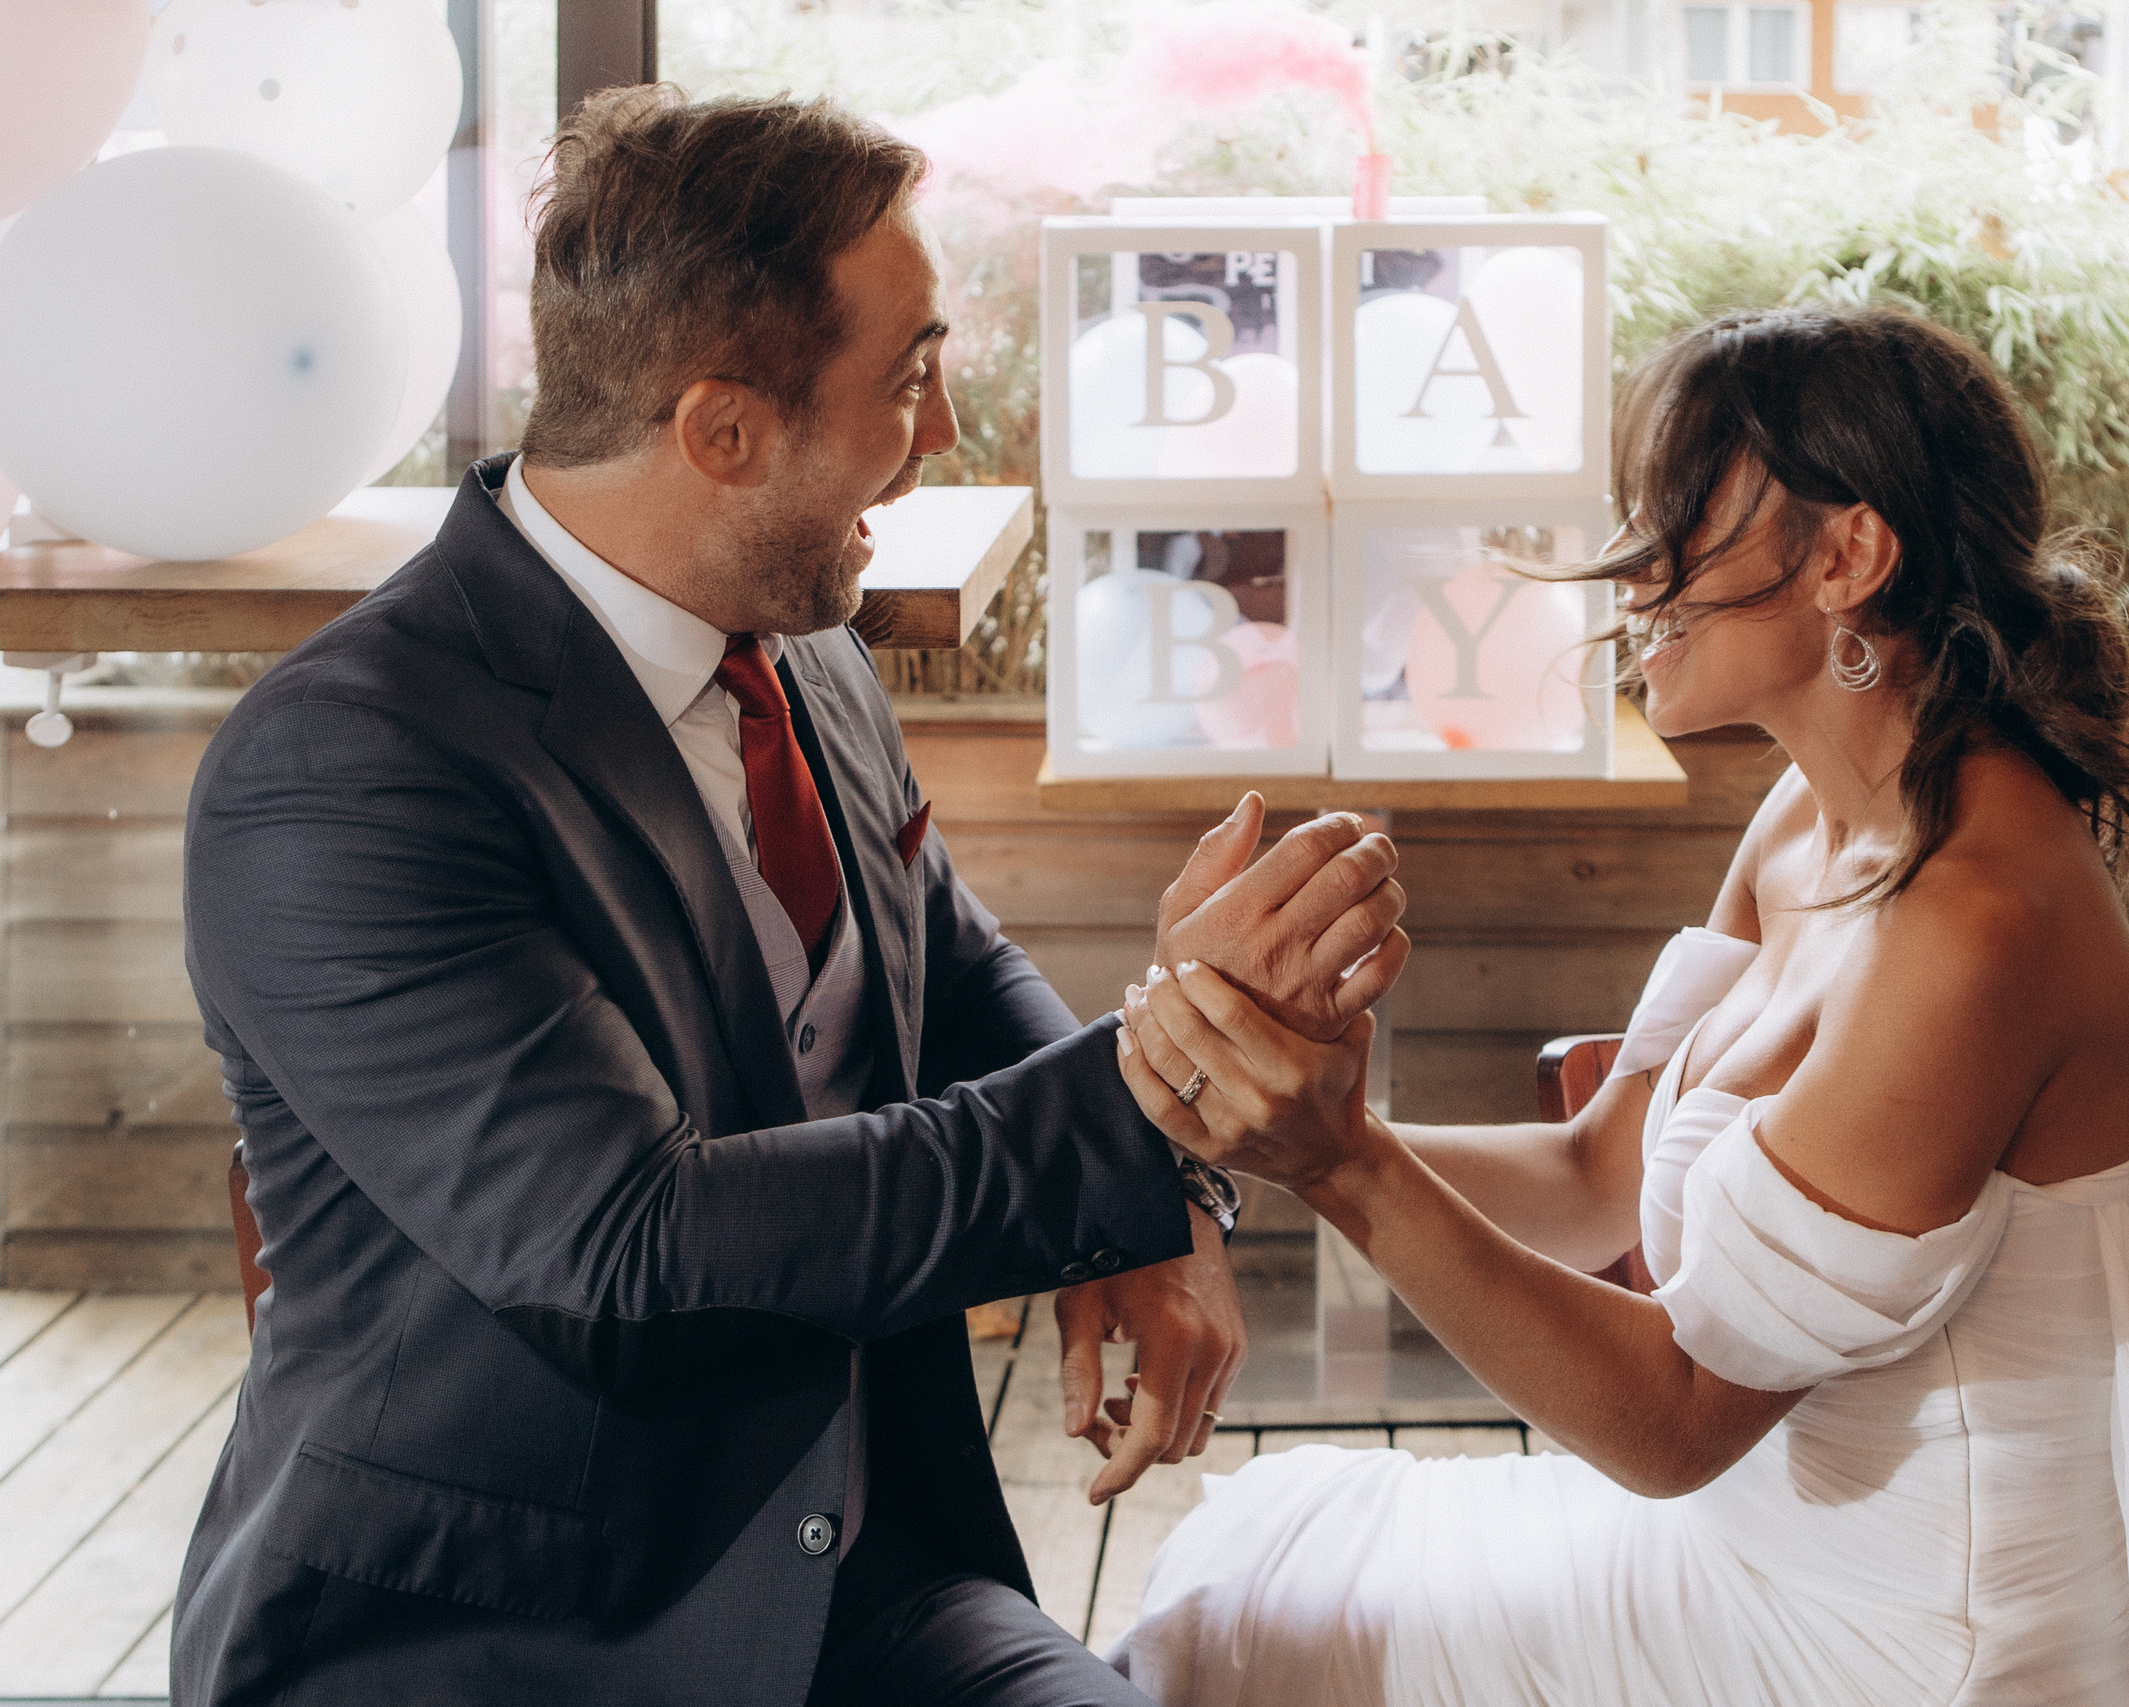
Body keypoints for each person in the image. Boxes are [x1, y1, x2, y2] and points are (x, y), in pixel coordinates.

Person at [172, 89, 1408, 1707]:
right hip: (496, 1638)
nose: (950, 426)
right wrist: (1153, 1091)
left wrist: (1159, 1205)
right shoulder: (344, 766)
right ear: (723, 431)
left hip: (859, 1586)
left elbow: (944, 970)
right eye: (908, 375)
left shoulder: (803, 643)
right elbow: (628, 1241)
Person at [1108, 305, 2129, 1707]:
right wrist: (1235, 1145)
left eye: (1678, 522)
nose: (1634, 578)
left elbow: (1676, 1423)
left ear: (1850, 555)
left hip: (1907, 1642)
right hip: (1737, 1550)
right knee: (1249, 1562)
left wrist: (1340, 1159)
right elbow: (1596, 1175)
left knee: (1243, 1637)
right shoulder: (1819, 815)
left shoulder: (1979, 928)